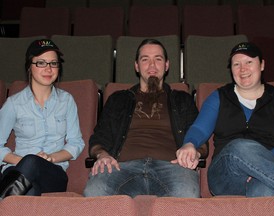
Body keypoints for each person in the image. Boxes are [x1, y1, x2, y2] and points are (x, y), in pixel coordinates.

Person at [83, 39, 207, 198]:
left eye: (158, 59)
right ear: (136, 66)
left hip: (172, 168)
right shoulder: (118, 99)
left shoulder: (182, 100)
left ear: (167, 65)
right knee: (95, 190)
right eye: (145, 59)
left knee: (187, 192)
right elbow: (98, 139)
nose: (152, 65)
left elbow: (201, 141)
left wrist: (194, 152)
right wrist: (102, 155)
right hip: (122, 168)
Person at [183, 42, 274, 202]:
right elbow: (199, 129)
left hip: (265, 175)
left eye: (249, 62)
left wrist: (259, 167)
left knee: (264, 191)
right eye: (236, 64)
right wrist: (189, 143)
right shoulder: (219, 96)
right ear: (231, 70)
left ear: (262, 65)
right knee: (240, 146)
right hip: (224, 175)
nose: (242, 69)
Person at [0, 39, 85, 198]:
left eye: (54, 63)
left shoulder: (66, 101)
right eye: (41, 63)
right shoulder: (14, 104)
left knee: (32, 162)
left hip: (53, 173)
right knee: (30, 190)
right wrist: (21, 161)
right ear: (29, 67)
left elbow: (76, 143)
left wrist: (51, 157)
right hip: (17, 168)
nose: (48, 69)